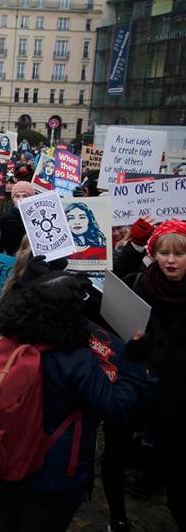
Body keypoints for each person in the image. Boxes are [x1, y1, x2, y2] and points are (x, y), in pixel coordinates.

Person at [0, 268, 153, 532]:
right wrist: (134, 362)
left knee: (1, 518)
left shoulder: (10, 334)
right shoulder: (74, 358)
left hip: (7, 451)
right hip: (53, 468)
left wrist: (29, 283)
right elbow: (118, 407)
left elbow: (12, 306)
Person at [118, 219, 186, 528]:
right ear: (153, 253)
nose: (170, 261)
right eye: (163, 253)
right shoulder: (141, 283)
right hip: (149, 377)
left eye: (179, 254)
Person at [0, 181, 36, 256]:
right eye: (17, 196)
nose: (21, 199)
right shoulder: (4, 222)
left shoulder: (38, 221)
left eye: (25, 196)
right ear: (13, 199)